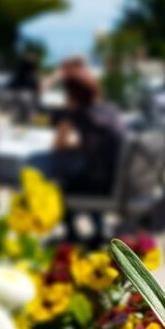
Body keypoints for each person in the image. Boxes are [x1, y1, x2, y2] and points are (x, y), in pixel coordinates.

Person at [30, 69, 124, 242]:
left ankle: (72, 234)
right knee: (82, 175)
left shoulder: (79, 113)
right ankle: (98, 229)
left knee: (57, 186)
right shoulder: (109, 109)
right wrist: (79, 145)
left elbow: (58, 145)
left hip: (99, 186)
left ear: (72, 94)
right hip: (114, 179)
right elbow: (100, 141)